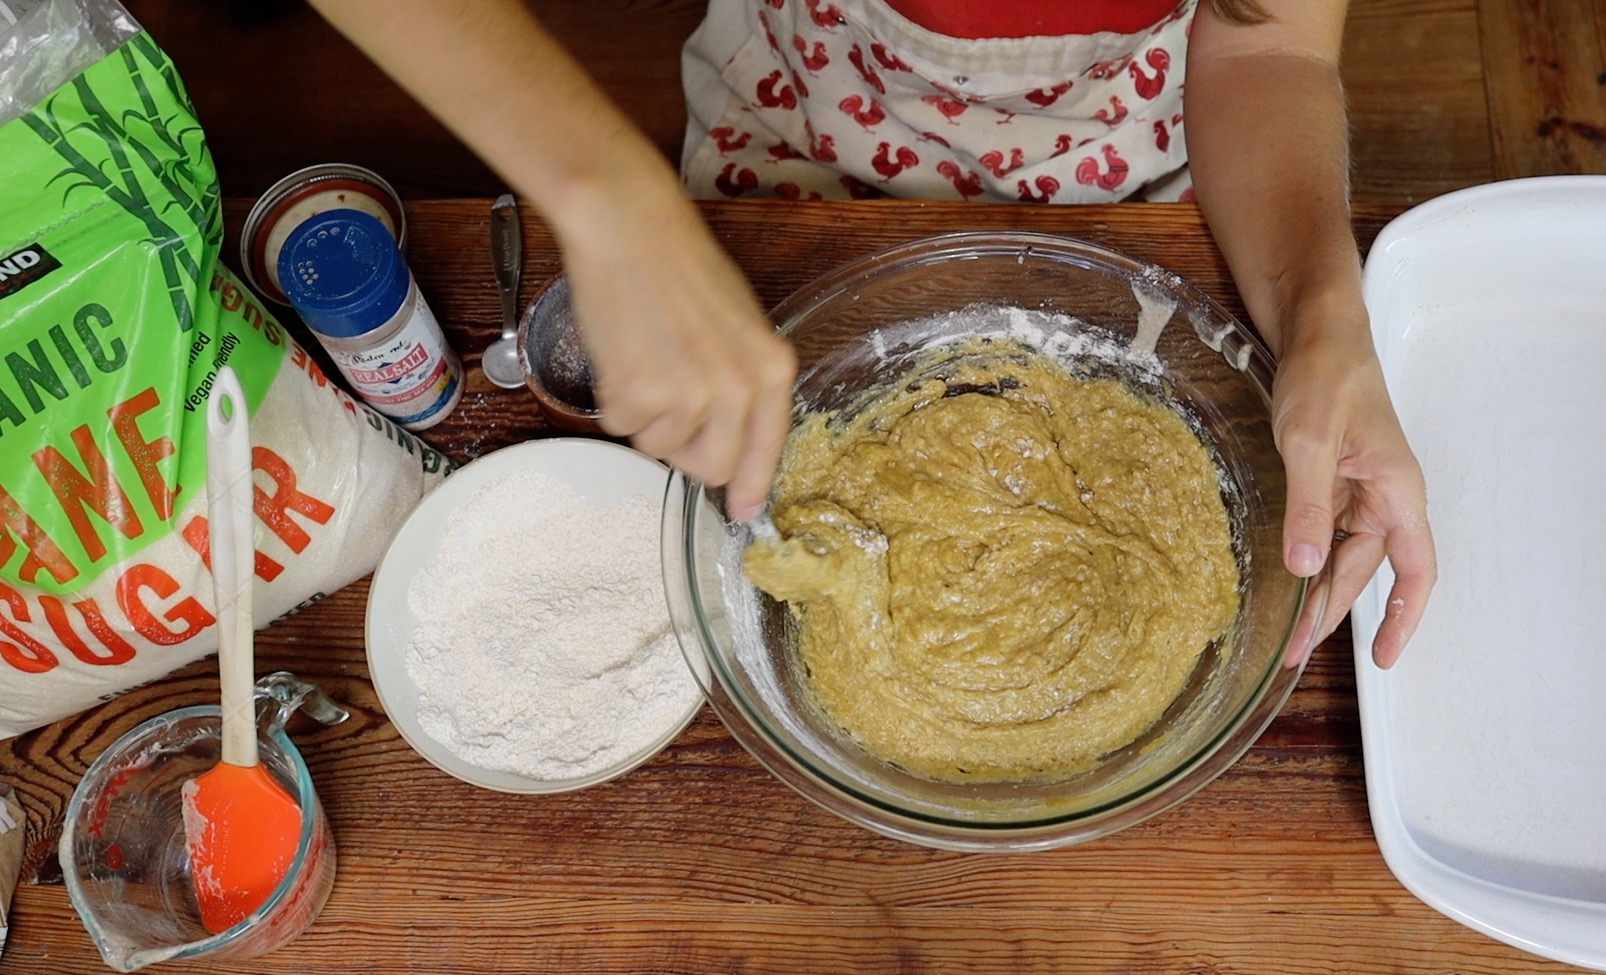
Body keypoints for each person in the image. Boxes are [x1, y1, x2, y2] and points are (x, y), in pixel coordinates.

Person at [305, 0, 1436, 668]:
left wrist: (1323, 309)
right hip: (803, 120)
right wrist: (605, 195)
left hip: (1135, 153)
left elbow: (1266, 47)